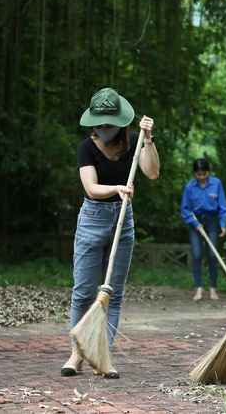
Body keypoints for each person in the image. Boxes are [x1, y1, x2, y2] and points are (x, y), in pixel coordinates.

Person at [61, 87, 160, 379]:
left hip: (123, 220)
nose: (104, 129)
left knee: (112, 295)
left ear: (120, 122)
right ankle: (77, 354)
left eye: (109, 124)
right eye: (100, 124)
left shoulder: (134, 141)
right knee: (83, 293)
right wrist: (116, 189)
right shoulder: (86, 148)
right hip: (93, 219)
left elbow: (152, 172)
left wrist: (149, 139)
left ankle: (102, 355)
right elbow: (90, 187)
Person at [181, 159, 226, 301]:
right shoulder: (190, 187)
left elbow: (223, 206)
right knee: (196, 255)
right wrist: (194, 223)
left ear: (208, 172)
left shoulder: (216, 183)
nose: (201, 177)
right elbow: (185, 209)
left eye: (204, 174)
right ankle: (199, 289)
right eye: (199, 174)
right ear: (195, 173)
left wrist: (223, 223)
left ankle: (213, 289)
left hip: (212, 222)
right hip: (195, 222)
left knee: (212, 255)